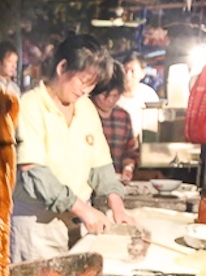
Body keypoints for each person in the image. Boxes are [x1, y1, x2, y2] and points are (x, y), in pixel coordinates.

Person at [11, 33, 135, 263]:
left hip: (78, 224)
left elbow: (101, 165)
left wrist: (117, 205)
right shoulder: (30, 105)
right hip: (37, 228)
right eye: (83, 81)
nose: (86, 90)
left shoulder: (86, 108)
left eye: (93, 84)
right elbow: (34, 173)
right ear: (62, 67)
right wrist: (84, 210)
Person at [91, 61, 139, 185]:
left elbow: (130, 152)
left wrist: (128, 168)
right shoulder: (82, 113)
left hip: (115, 184)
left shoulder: (123, 116)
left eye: (115, 95)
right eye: (104, 95)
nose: (110, 100)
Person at [117, 51, 160, 141]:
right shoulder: (114, 96)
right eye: (125, 70)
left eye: (132, 71)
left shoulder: (148, 95)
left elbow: (154, 125)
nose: (128, 75)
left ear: (142, 73)